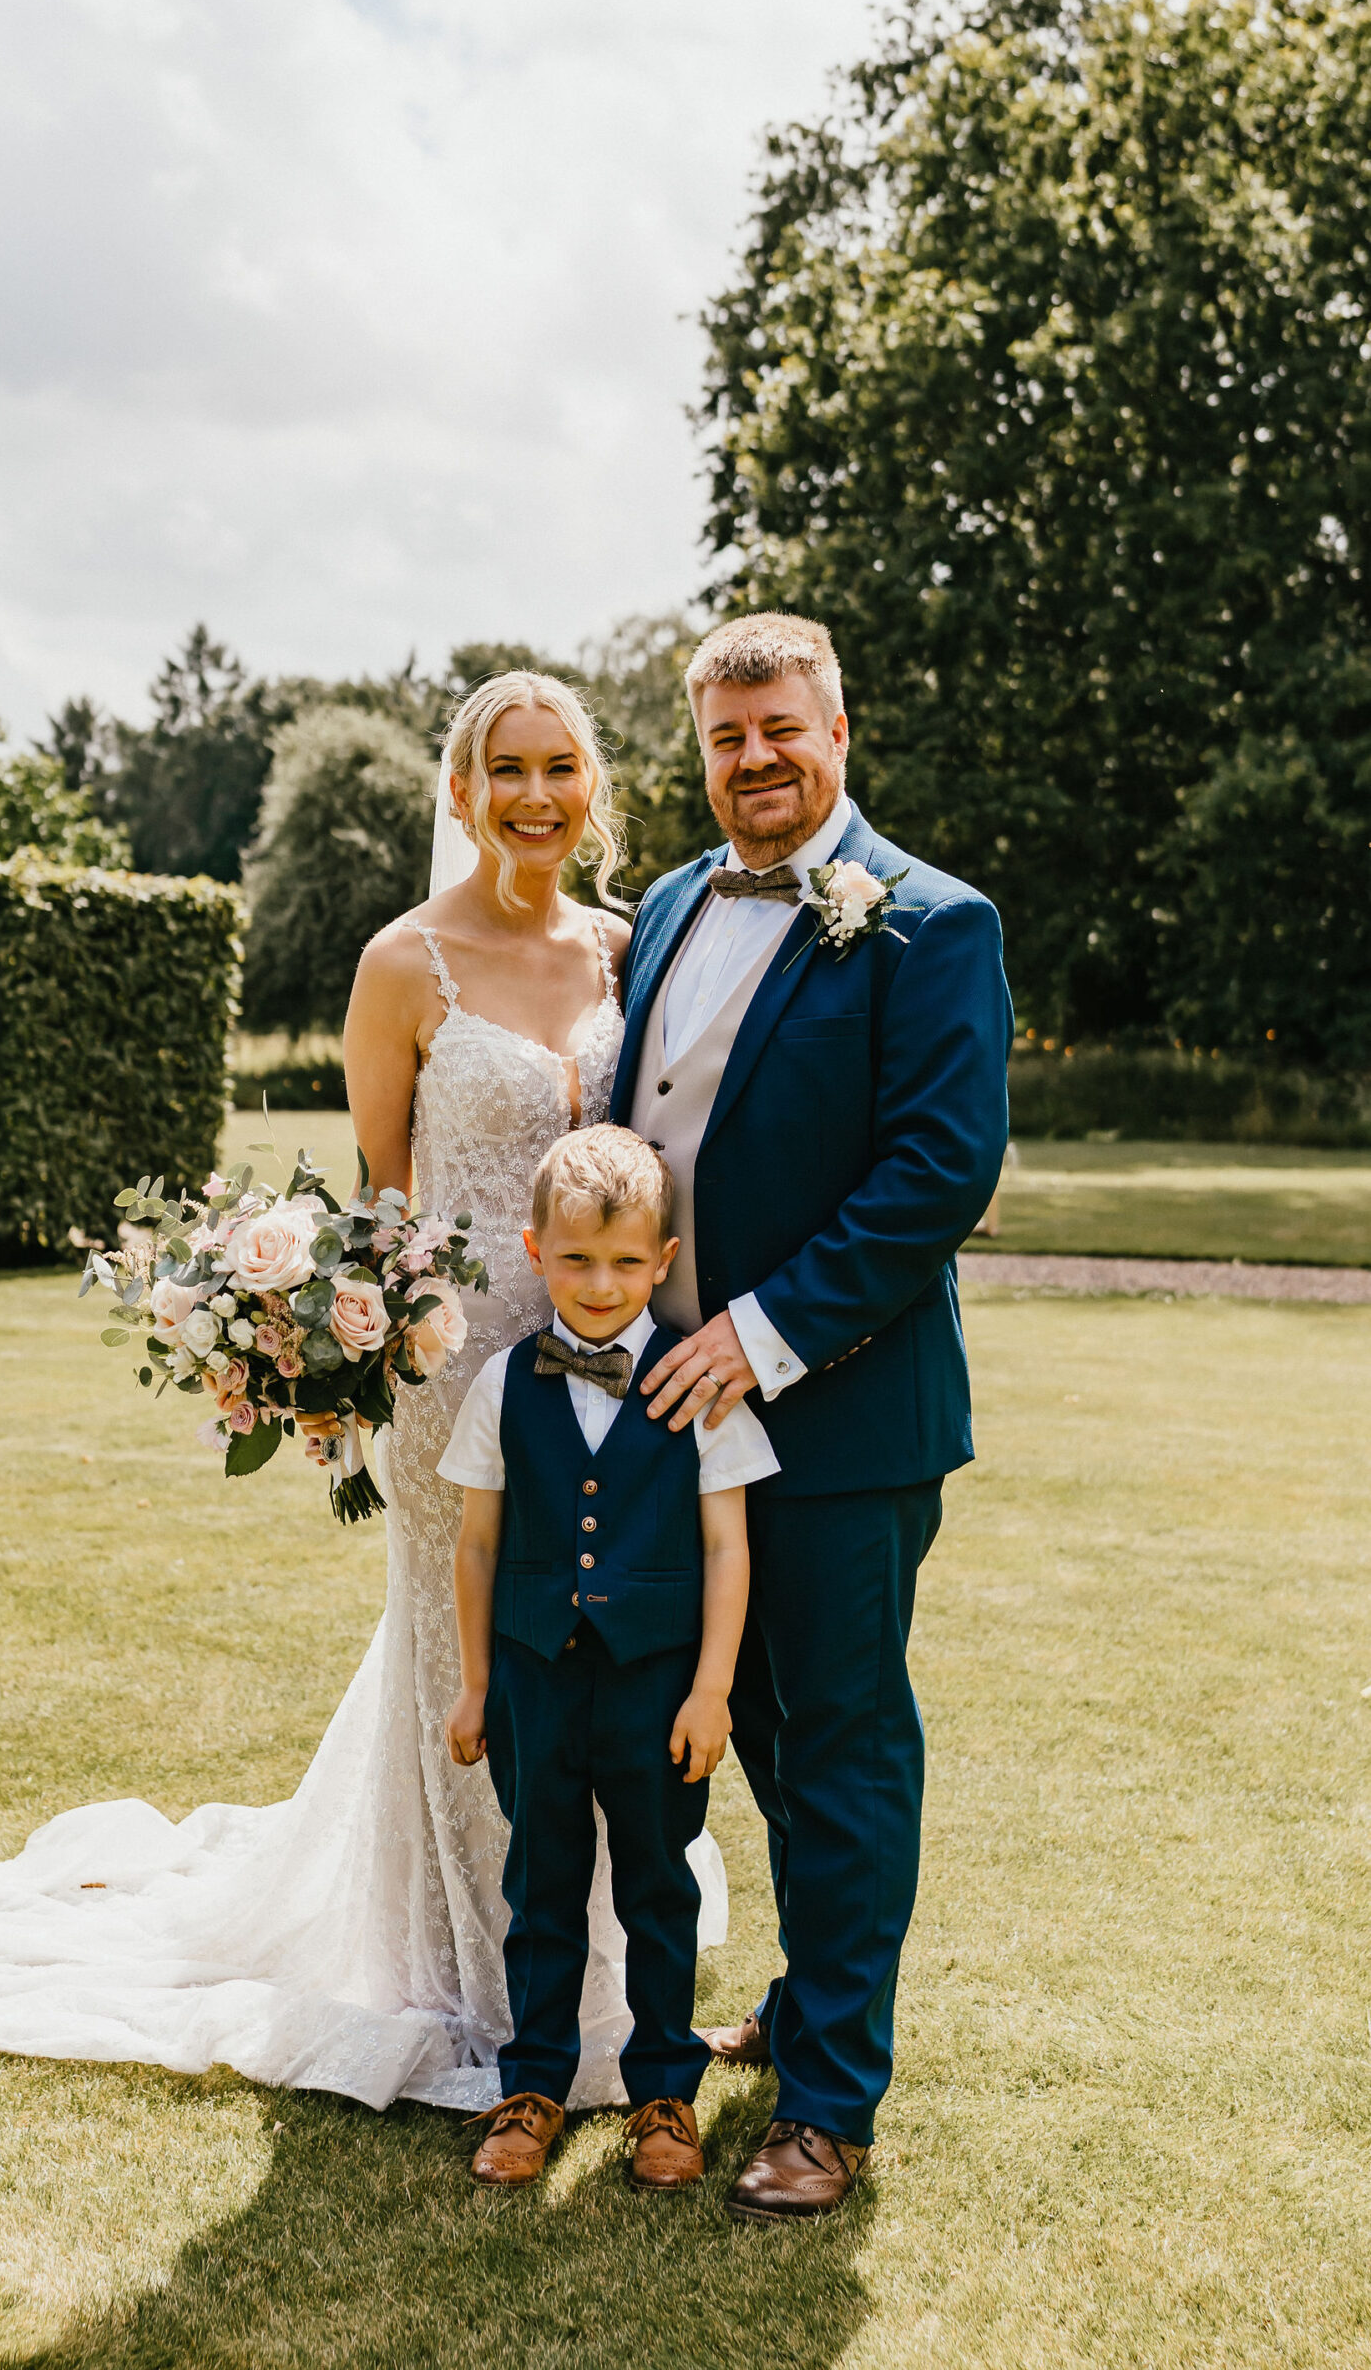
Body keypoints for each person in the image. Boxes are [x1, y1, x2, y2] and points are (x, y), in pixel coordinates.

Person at [0, 670, 727, 2115]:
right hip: (459, 1386)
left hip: (617, 1376)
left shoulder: (632, 951)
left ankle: (629, 1980)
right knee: (472, 1674)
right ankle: (494, 1993)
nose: (533, 794)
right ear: (460, 792)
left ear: (593, 787)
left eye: (559, 766)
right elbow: (381, 1194)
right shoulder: (403, 966)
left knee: (617, 1651)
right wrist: (372, 1348)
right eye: (504, 768)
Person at [610, 612, 1012, 2220]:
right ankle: (796, 2008)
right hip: (669, 1424)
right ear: (700, 750)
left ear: (836, 732)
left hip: (837, 1420)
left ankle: (827, 2101)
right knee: (751, 1737)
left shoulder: (929, 923)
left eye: (780, 729)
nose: (754, 759)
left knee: (839, 1747)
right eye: (725, 737)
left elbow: (938, 1173)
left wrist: (761, 1336)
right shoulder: (659, 907)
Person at [441, 1125, 776, 2190]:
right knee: (540, 1885)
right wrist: (477, 1683)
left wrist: (713, 1688)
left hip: (655, 1686)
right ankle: (532, 2084)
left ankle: (664, 2092)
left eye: (627, 1261)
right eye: (577, 1259)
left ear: (663, 1261)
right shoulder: (503, 1384)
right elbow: (479, 1540)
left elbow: (728, 1542)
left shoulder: (698, 1382)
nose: (601, 1282)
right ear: (536, 1250)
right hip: (534, 1681)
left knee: (655, 1888)